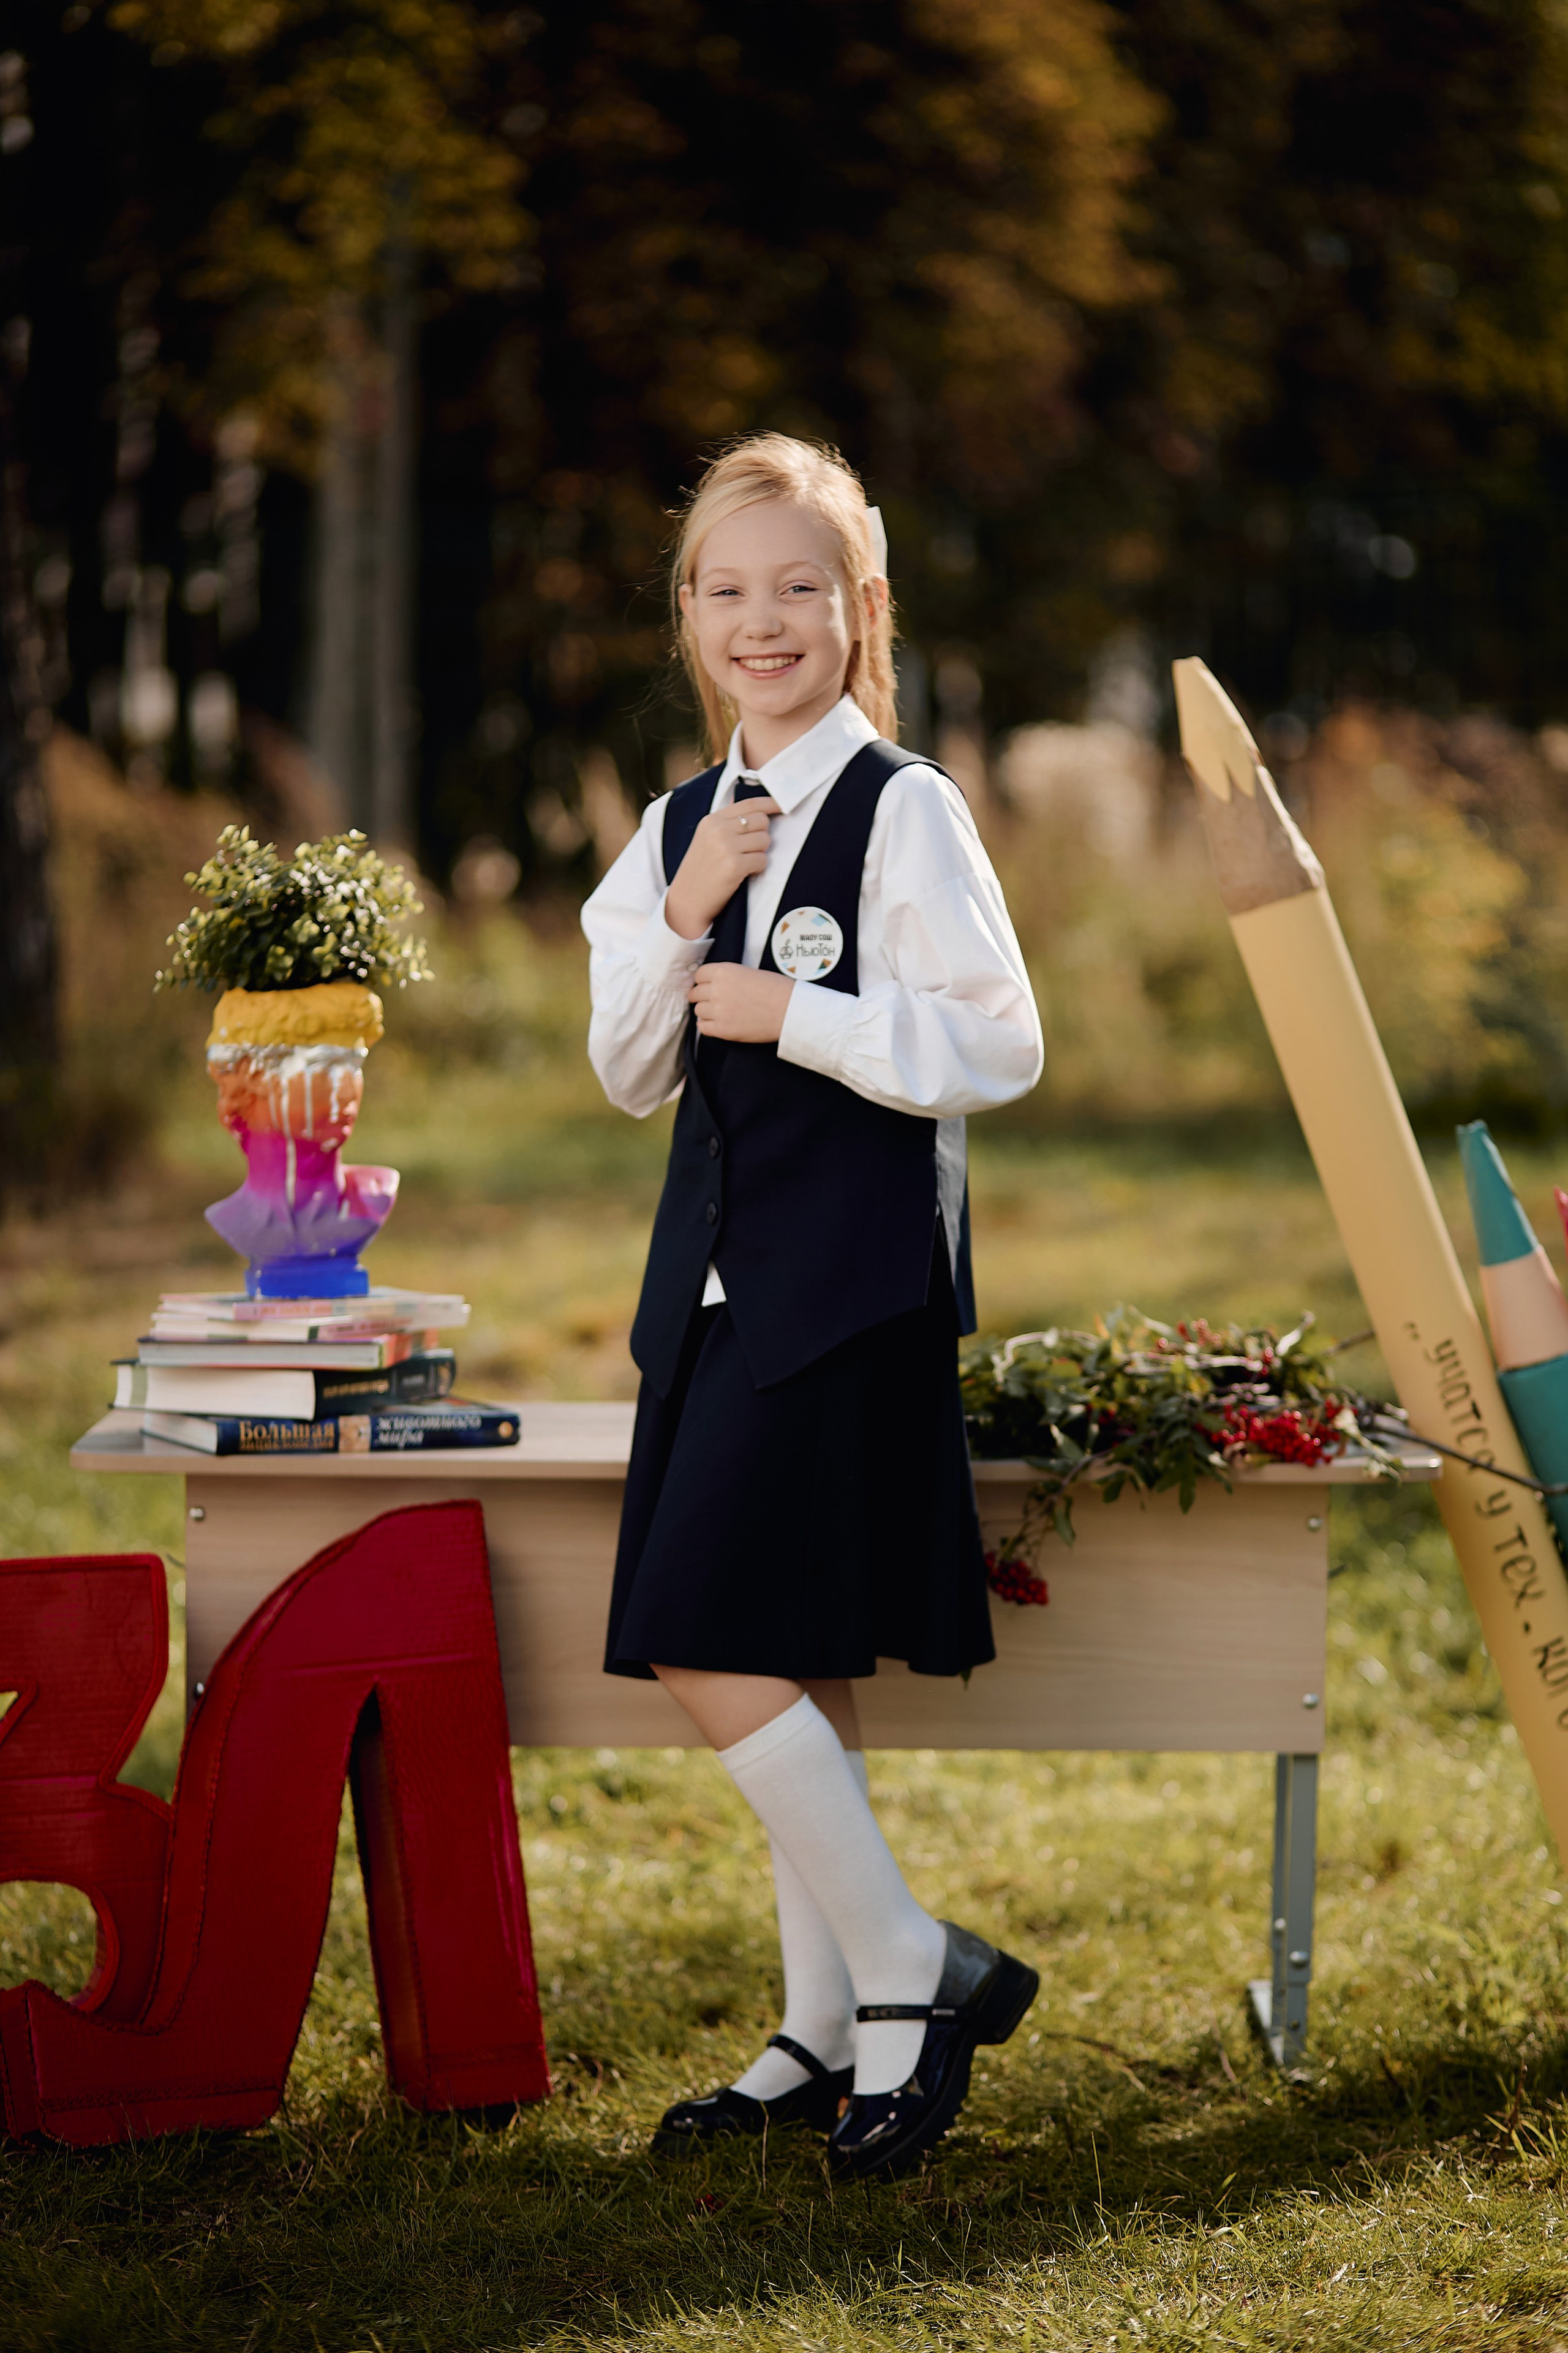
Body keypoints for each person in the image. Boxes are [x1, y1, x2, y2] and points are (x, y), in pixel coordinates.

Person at [581, 433, 1044, 2178]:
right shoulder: (672, 828)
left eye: (798, 588)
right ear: (688, 618)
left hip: (845, 1295)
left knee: (702, 1633)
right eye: (724, 591)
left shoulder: (907, 805)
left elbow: (1004, 1040)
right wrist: (686, 915)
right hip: (703, 1299)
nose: (758, 620)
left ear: (860, 612)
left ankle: (917, 1968)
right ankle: (826, 2025)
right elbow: (631, 1071)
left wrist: (808, 1017)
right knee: (783, 1651)